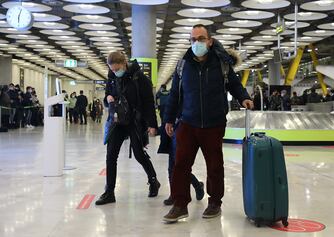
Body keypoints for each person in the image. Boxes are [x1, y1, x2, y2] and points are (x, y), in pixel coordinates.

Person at [162, 24, 254, 223]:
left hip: (214, 122)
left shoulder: (221, 63)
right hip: (187, 122)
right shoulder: (183, 65)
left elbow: (235, 84)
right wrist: (168, 119)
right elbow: (175, 94)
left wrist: (244, 97)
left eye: (201, 38)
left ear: (210, 41)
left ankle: (215, 202)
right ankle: (180, 204)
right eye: (193, 39)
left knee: (214, 165)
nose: (197, 43)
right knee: (180, 164)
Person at [95, 51, 160, 205]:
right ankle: (109, 192)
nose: (114, 72)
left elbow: (148, 102)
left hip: (134, 121)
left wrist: (152, 124)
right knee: (111, 155)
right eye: (112, 69)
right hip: (117, 121)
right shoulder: (111, 78)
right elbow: (107, 96)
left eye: (117, 69)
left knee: (139, 154)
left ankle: (153, 181)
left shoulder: (140, 78)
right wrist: (107, 99)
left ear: (124, 63)